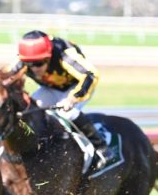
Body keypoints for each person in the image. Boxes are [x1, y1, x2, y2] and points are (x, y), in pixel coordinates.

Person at [11, 30, 117, 171]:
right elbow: (5, 80)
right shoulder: (23, 61)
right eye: (29, 64)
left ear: (49, 57)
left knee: (67, 113)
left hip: (76, 87)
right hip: (50, 88)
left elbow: (90, 75)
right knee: (28, 111)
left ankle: (102, 148)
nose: (34, 68)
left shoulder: (63, 54)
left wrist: (73, 98)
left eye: (39, 63)